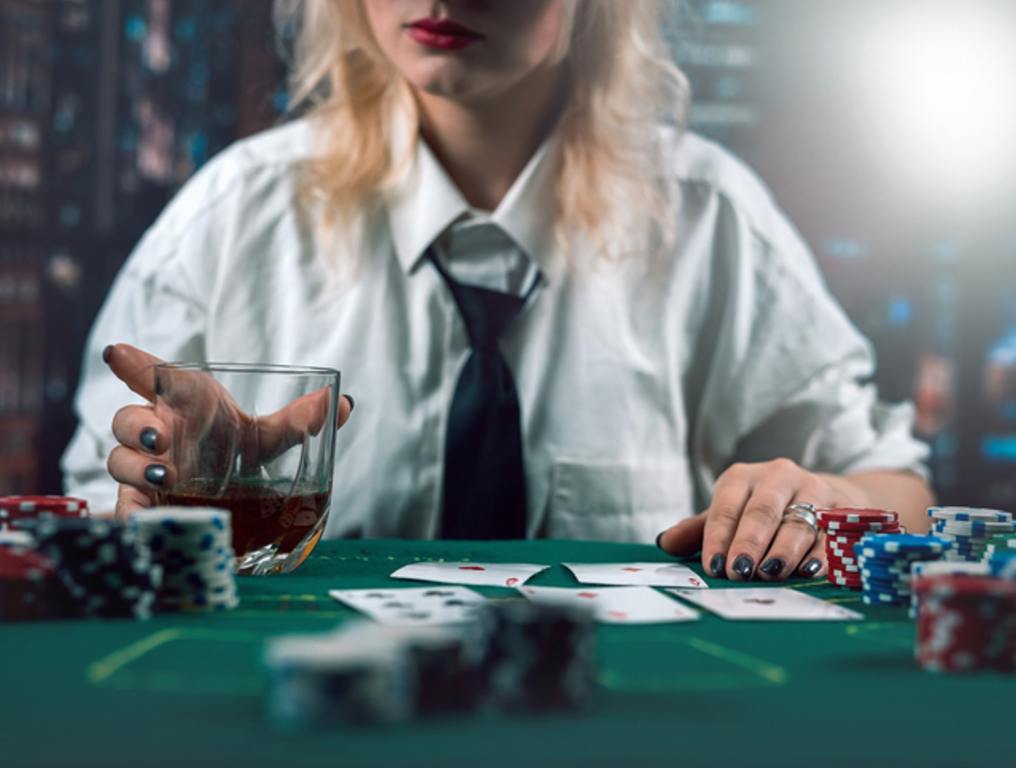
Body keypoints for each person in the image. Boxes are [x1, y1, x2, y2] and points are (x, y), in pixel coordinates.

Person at [62, 0, 934, 582]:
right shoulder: (231, 214)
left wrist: (828, 499)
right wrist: (167, 492)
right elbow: (97, 504)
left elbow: (900, 492)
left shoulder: (711, 219)